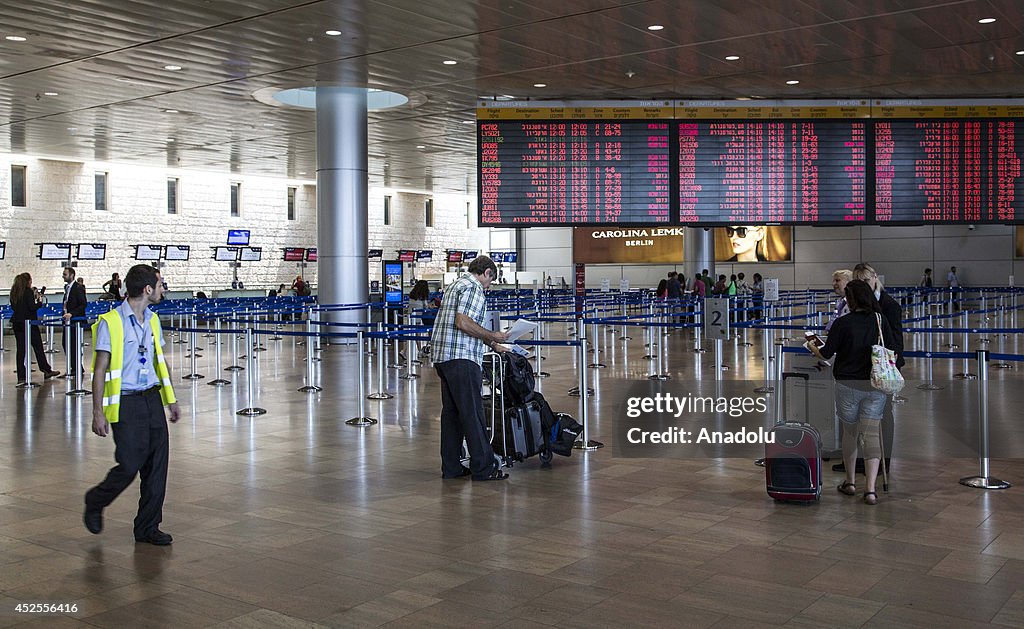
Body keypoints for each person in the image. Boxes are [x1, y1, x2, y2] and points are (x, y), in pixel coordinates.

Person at [84, 265, 180, 545]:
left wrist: (170, 398)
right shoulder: (110, 322)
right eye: (161, 285)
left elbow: (159, 361)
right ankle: (96, 499)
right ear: (147, 289)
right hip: (126, 403)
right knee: (129, 464)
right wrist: (97, 411)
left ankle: (148, 527)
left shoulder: (152, 320)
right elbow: (99, 369)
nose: (164, 289)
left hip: (151, 398)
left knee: (156, 466)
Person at [807, 279, 896, 505]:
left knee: (850, 434)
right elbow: (892, 348)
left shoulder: (843, 323)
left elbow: (827, 354)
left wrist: (812, 347)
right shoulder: (880, 320)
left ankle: (850, 482)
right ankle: (871, 489)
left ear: (851, 299)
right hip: (874, 384)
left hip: (847, 384)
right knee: (872, 436)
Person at [429, 256, 510, 481]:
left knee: (452, 415)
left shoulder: (455, 285)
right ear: (485, 272)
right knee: (473, 413)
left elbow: (464, 325)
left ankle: (452, 467)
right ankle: (484, 468)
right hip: (462, 358)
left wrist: (493, 344)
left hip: (444, 358)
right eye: (490, 280)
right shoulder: (473, 288)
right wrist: (493, 334)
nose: (489, 285)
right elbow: (463, 322)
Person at [846, 262, 903, 473]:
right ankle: (865, 460)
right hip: (862, 369)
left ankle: (884, 462)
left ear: (875, 278)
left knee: (884, 415)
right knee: (863, 416)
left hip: (883, 369)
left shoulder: (889, 306)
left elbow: (896, 342)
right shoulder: (857, 307)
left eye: (866, 280)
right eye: (859, 281)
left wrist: (888, 363)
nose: (864, 285)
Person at [10, 273, 60, 384]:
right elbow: (31, 307)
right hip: (29, 323)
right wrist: (39, 302)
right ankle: (46, 369)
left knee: (21, 349)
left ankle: (21, 375)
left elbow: (14, 307)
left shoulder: (14, 292)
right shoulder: (27, 292)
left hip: (17, 323)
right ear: (28, 281)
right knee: (38, 347)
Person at [62, 266, 88, 378]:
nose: (63, 276)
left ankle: (76, 367)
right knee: (66, 343)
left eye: (65, 274)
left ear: (72, 275)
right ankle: (74, 366)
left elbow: (83, 304)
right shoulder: (67, 288)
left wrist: (72, 314)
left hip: (75, 320)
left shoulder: (78, 288)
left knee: (73, 344)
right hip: (67, 320)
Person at [825, 269, 853, 334]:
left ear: (849, 282)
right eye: (833, 281)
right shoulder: (840, 302)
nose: (833, 284)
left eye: (837, 280)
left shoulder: (854, 303)